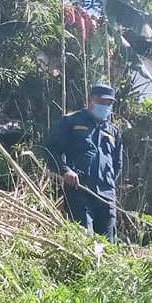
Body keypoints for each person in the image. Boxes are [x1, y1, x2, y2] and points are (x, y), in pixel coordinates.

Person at [44, 84, 123, 241]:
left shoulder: (113, 132)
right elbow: (51, 150)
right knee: (84, 241)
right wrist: (65, 170)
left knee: (108, 246)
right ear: (90, 101)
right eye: (101, 102)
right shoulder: (71, 121)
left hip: (106, 197)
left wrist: (108, 184)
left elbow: (117, 164)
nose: (105, 107)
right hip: (79, 191)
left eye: (108, 104)